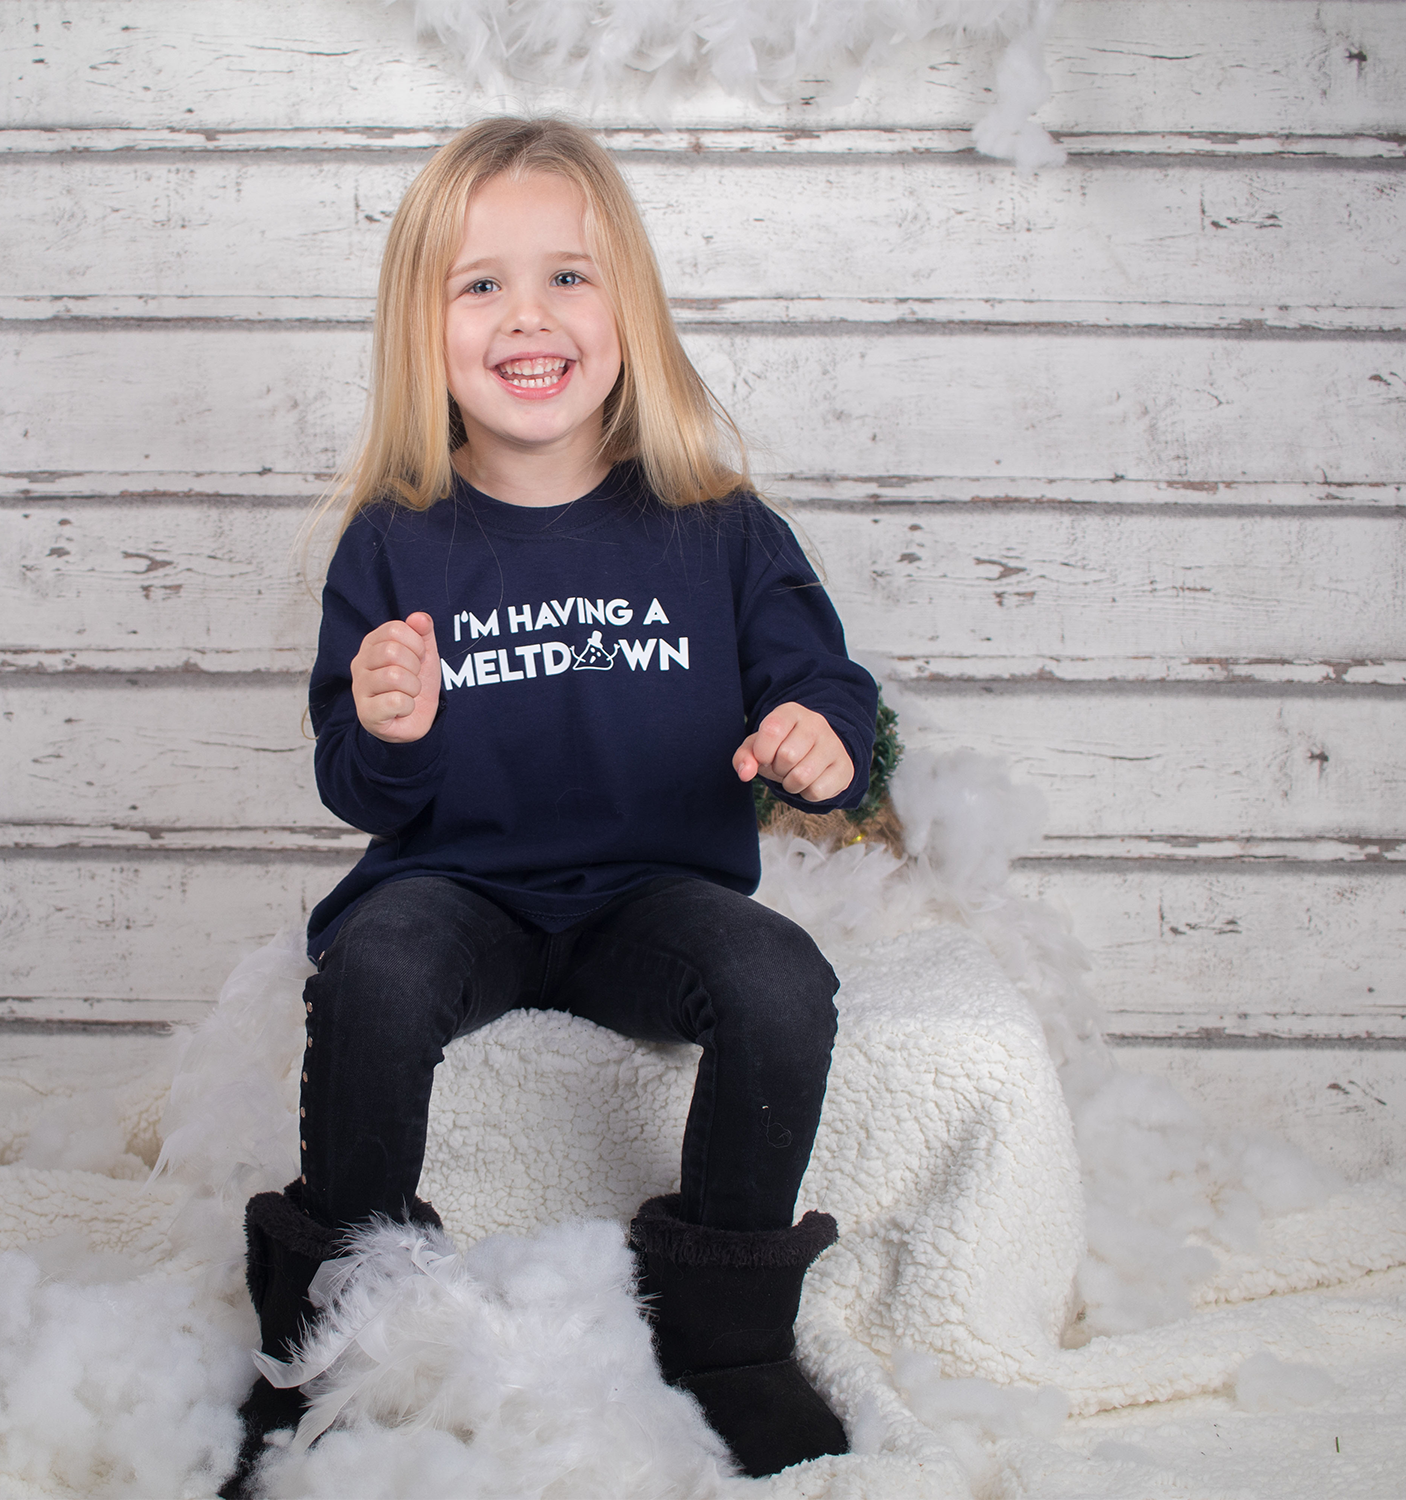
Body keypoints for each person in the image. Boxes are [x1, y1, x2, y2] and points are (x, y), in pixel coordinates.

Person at [223, 116, 878, 1495]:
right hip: (460, 890)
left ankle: (731, 1336)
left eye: (570, 277)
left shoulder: (717, 522)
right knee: (377, 974)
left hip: (654, 897)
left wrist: (824, 739)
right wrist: (392, 723)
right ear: (424, 328)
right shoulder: (398, 535)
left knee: (780, 983)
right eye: (480, 285)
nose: (530, 314)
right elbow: (356, 779)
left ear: (628, 306)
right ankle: (330, 1330)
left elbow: (826, 686)